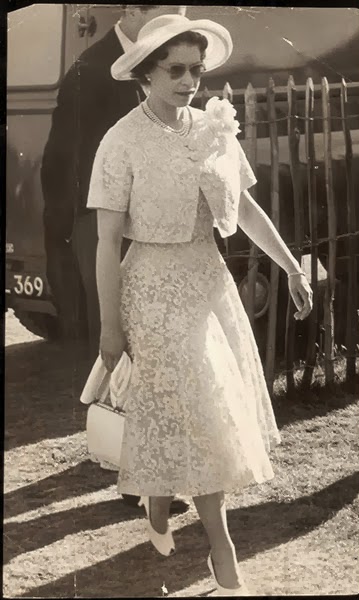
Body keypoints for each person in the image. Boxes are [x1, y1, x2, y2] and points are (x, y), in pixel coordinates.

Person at [87, 14, 313, 595]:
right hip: (151, 289)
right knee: (197, 409)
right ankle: (222, 549)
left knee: (197, 411)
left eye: (198, 68)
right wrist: (111, 330)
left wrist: (290, 266)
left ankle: (159, 507)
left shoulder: (215, 128)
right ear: (144, 74)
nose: (190, 80)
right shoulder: (120, 140)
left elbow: (247, 208)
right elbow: (107, 242)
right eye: (176, 69)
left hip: (208, 282)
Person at [41, 4, 189, 515]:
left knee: (150, 356)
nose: (182, 16)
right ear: (133, 10)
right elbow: (64, 167)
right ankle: (135, 473)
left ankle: (142, 474)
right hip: (103, 230)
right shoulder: (88, 72)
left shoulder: (169, 64)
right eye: (171, 7)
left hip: (152, 235)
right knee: (120, 347)